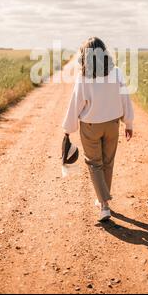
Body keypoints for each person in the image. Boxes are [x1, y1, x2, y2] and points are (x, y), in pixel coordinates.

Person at [62, 37, 134, 221]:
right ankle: (103, 199)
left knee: (95, 164)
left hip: (91, 126)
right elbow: (125, 99)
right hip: (112, 124)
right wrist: (129, 123)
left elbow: (76, 103)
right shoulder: (116, 73)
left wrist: (68, 129)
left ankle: (104, 205)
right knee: (108, 162)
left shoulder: (83, 77)